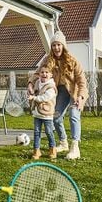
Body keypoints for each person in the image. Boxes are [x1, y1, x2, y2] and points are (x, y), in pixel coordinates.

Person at [27, 30, 88, 160]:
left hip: (74, 92)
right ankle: (63, 143)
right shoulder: (48, 60)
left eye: (59, 44)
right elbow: (37, 73)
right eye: (54, 45)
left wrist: (80, 97)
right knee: (55, 117)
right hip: (59, 92)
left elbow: (82, 81)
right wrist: (30, 84)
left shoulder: (73, 61)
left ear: (63, 46)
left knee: (73, 115)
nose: (56, 47)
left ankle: (75, 147)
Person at [28, 65, 57, 159]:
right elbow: (35, 92)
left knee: (49, 132)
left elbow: (45, 98)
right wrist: (31, 93)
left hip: (47, 114)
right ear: (39, 74)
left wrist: (34, 98)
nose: (44, 74)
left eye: (46, 72)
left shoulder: (51, 87)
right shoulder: (37, 82)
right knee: (37, 132)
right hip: (37, 113)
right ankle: (36, 150)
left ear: (51, 75)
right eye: (42, 72)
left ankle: (52, 149)